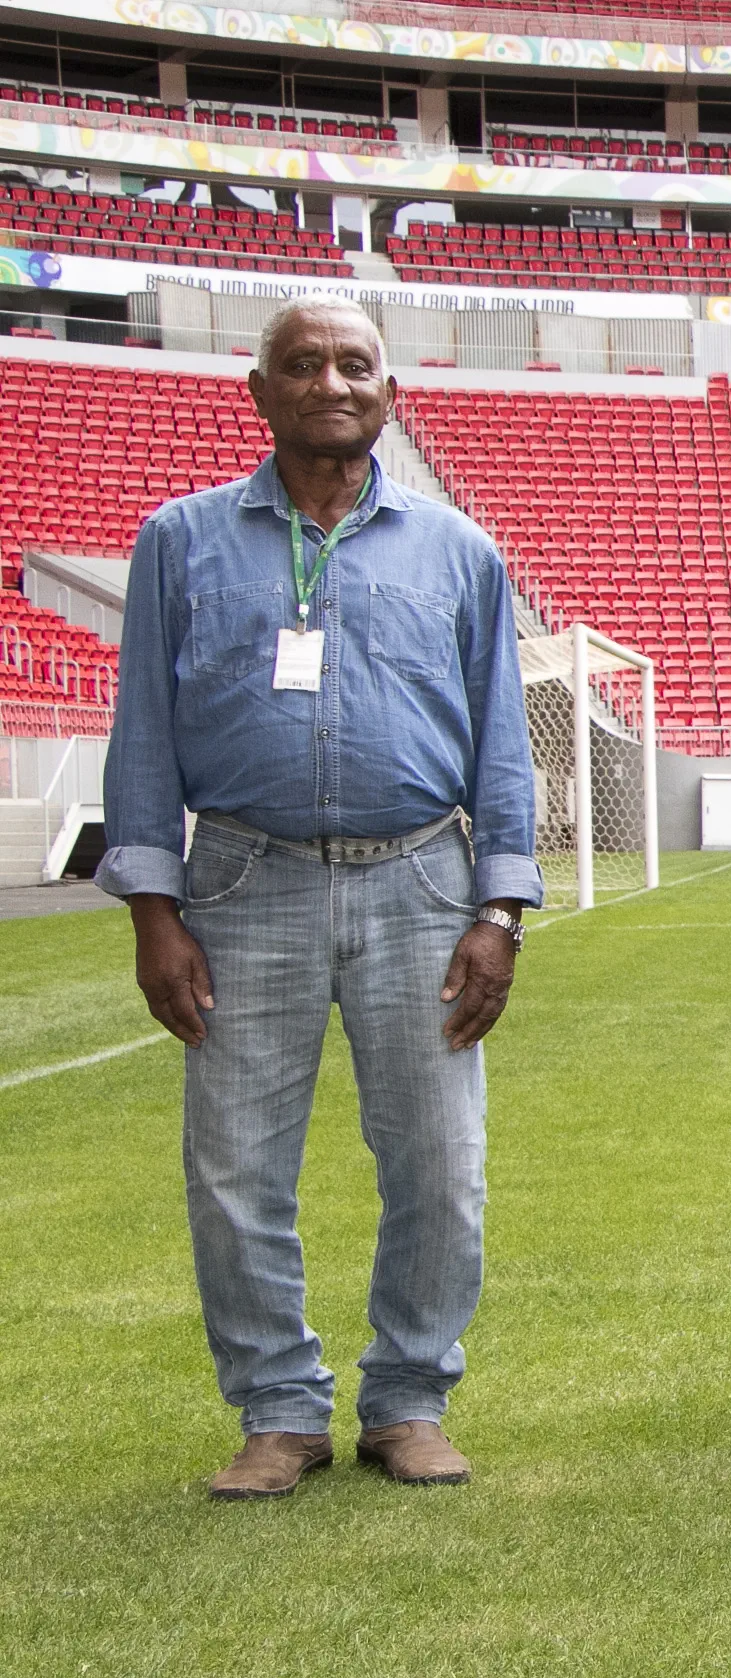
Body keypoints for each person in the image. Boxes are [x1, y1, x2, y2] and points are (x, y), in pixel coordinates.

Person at [98, 295, 536, 1499]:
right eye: (303, 363)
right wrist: (153, 908)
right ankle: (279, 1408)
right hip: (241, 883)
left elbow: (503, 743)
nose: (331, 382)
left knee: (441, 1161)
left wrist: (499, 911)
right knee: (235, 1163)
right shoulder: (179, 541)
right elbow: (141, 733)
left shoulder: (460, 551)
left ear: (391, 390)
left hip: (421, 885)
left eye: (355, 362)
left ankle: (407, 1396)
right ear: (260, 391)